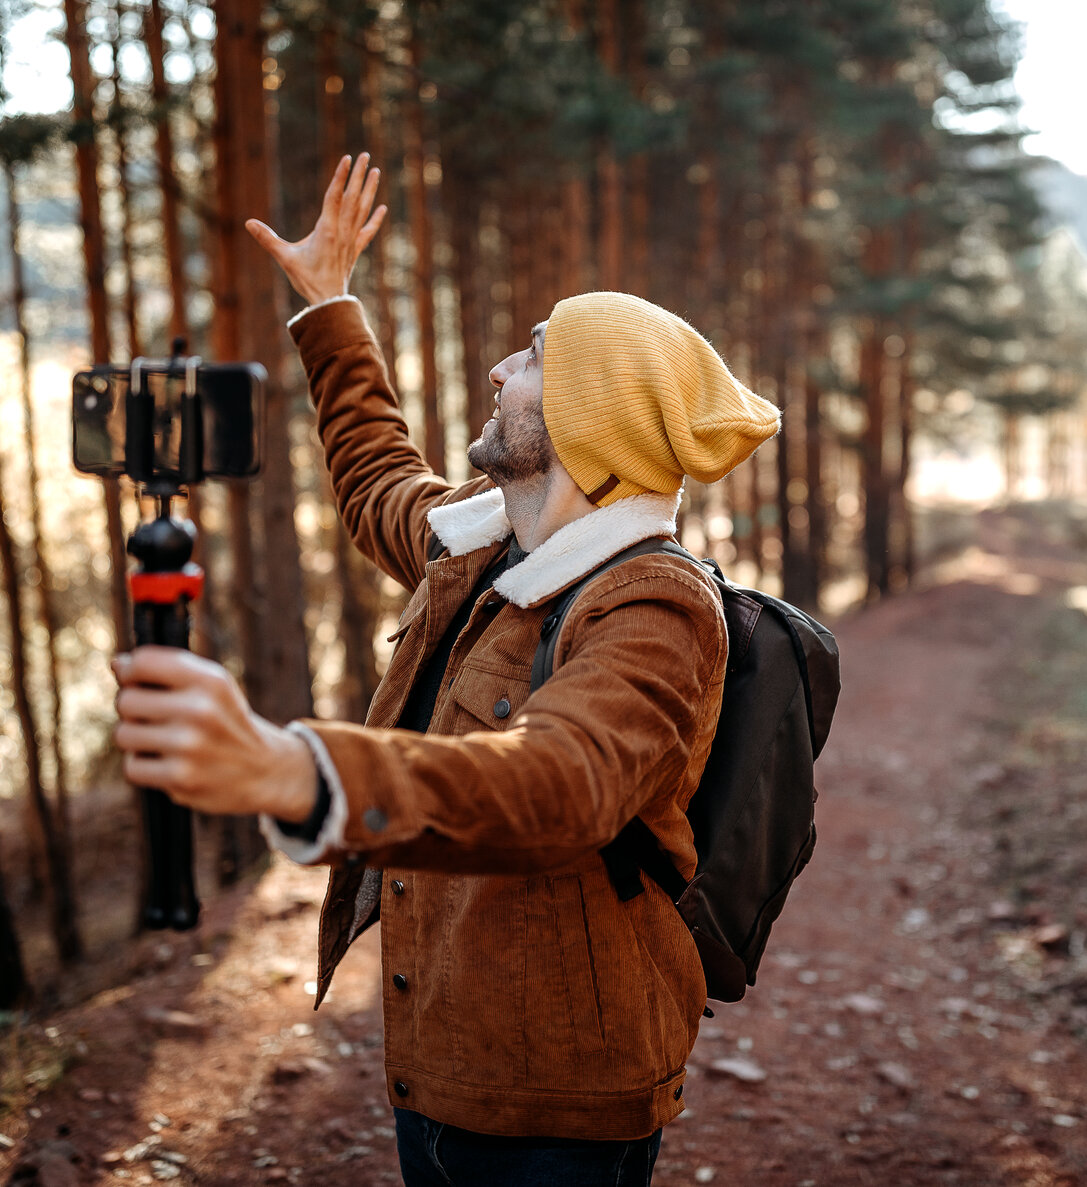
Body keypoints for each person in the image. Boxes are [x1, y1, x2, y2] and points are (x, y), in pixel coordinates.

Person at [110, 153, 779, 1186]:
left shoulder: (653, 603)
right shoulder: (485, 552)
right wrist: (331, 305)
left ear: (585, 417)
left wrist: (303, 773)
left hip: (556, 1102)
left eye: (532, 357)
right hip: (443, 1061)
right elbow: (379, 472)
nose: (499, 370)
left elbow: (557, 784)